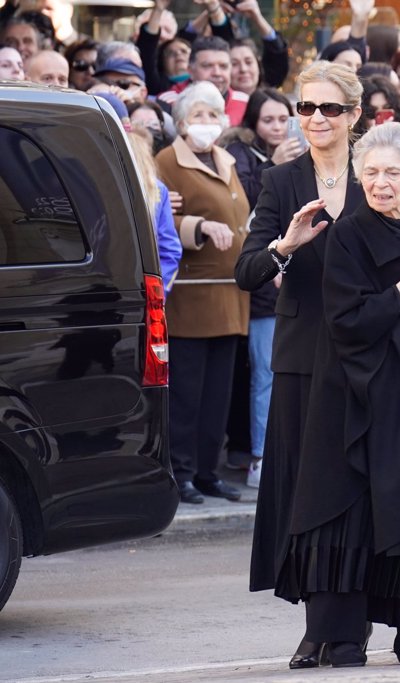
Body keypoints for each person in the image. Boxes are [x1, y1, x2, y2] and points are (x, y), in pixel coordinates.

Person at [275, 121, 400, 667]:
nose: (380, 183)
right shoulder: (348, 235)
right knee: (351, 515)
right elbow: (347, 322)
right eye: (370, 173)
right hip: (358, 401)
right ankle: (341, 638)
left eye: (392, 173)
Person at [235, 61, 367, 668]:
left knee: (356, 491)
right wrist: (284, 245)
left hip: (368, 352)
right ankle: (321, 626)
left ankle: (350, 627)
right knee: (307, 495)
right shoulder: (281, 181)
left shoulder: (381, 171)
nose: (316, 118)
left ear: (354, 115)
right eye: (306, 108)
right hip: (302, 354)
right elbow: (247, 272)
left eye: (330, 109)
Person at [155, 81, 250, 506]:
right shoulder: (165, 163)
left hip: (231, 296)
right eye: (198, 115)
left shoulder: (226, 160)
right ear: (180, 123)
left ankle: (209, 472)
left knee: (218, 396)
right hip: (191, 298)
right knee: (187, 394)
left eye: (213, 114)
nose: (207, 123)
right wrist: (198, 226)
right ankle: (182, 472)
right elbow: (155, 224)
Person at [223, 88, 303, 488]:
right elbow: (245, 217)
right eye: (267, 120)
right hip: (262, 291)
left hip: (298, 290)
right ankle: (259, 457)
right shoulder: (241, 157)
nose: (276, 128)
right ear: (252, 123)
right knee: (265, 378)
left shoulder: (308, 160)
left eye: (283, 119)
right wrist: (272, 165)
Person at [127, 129, 182, 294]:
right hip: (142, 288)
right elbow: (170, 250)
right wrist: (156, 292)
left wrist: (156, 292)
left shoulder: (157, 189)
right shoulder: (157, 187)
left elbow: (168, 248)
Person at [157, 36, 249, 127]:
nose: (217, 73)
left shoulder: (245, 103)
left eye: (223, 66)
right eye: (207, 66)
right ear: (190, 71)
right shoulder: (169, 101)